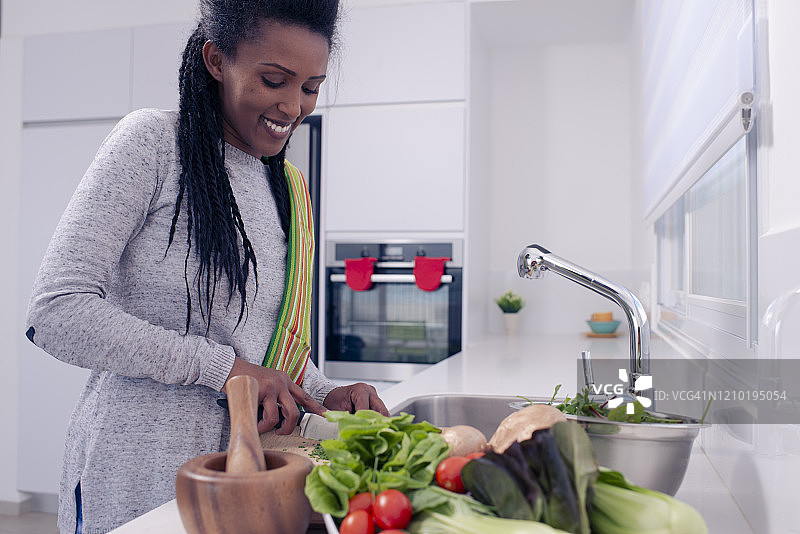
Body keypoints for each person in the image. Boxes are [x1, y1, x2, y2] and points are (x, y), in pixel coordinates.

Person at [25, 1, 389, 532]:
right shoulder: (152, 144)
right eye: (273, 80)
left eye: (310, 87)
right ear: (216, 60)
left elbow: (257, 346)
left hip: (250, 481)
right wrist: (224, 371)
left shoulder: (288, 190)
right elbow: (56, 312)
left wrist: (324, 389)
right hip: (136, 479)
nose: (293, 105)